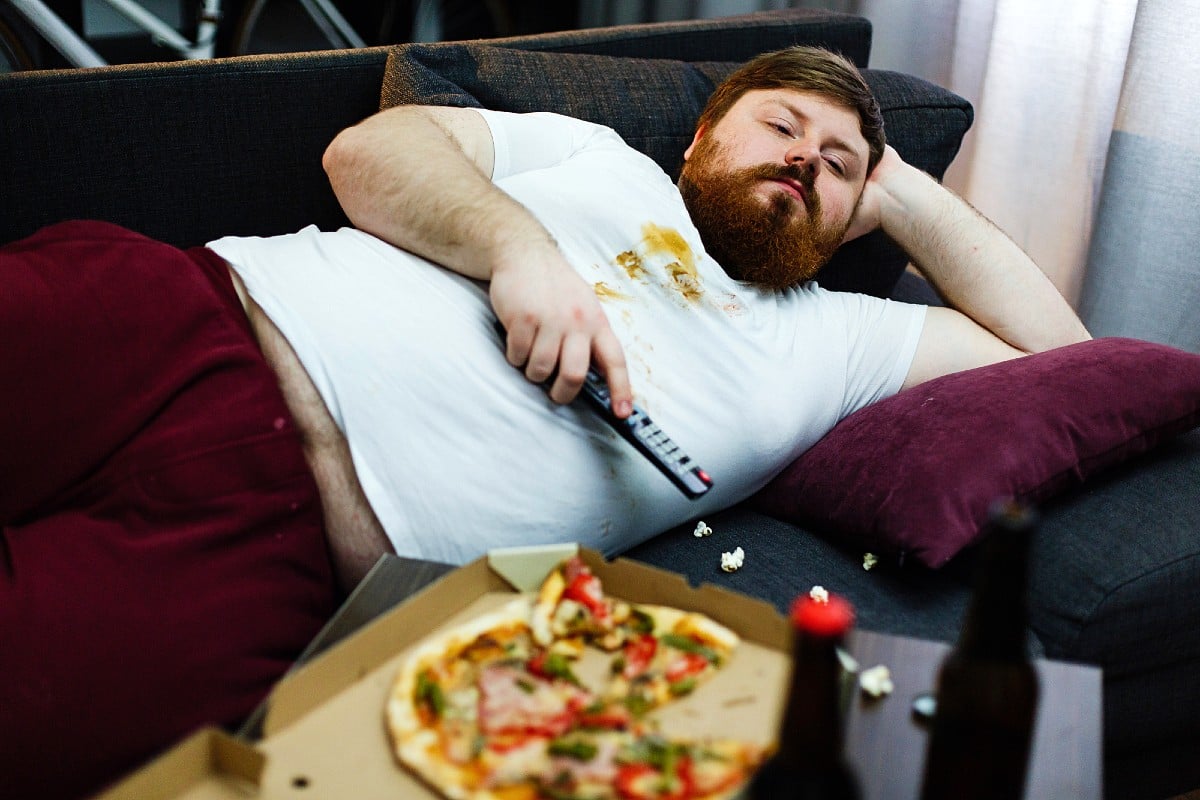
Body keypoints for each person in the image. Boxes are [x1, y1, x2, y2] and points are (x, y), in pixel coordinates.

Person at [0, 46, 1087, 799]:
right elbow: (368, 153)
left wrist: (905, 191)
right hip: (184, 324)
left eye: (837, 164)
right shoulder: (597, 158)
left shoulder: (841, 344)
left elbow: (1071, 362)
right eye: (782, 124)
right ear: (702, 135)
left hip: (264, 558)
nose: (807, 155)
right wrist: (516, 251)